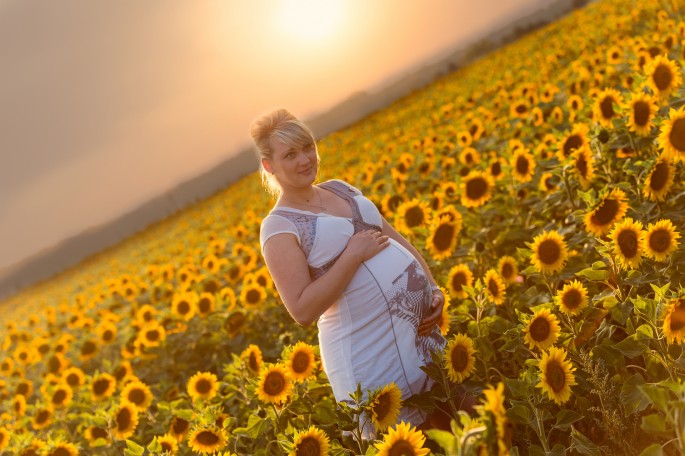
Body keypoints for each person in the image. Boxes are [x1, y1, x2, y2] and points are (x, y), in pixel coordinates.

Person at [251, 108, 446, 435]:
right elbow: (302, 309)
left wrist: (433, 287)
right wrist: (351, 256)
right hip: (370, 357)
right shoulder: (278, 226)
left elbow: (397, 239)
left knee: (472, 423)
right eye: (290, 154)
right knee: (416, 441)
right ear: (269, 166)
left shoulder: (341, 188)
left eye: (307, 147)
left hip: (419, 336)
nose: (304, 160)